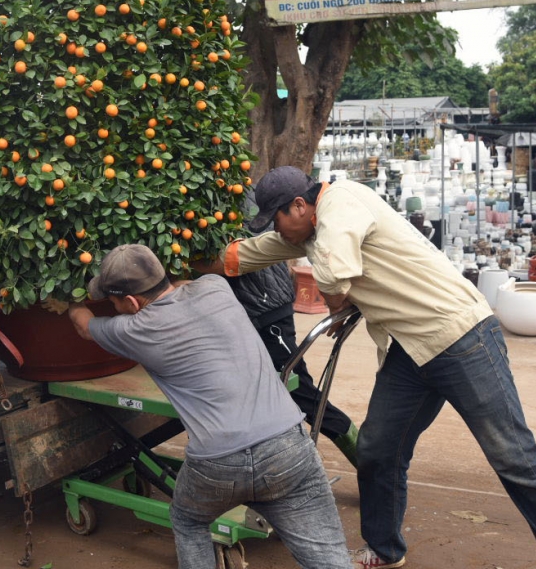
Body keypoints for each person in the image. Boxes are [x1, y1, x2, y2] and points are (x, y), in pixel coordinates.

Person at [197, 166, 536, 569]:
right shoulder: (305, 230)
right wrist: (178, 269)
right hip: (411, 349)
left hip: (462, 337)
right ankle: (384, 548)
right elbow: (244, 255)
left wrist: (339, 306)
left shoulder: (342, 203)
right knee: (378, 449)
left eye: (278, 220)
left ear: (299, 205)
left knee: (516, 460)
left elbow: (336, 275)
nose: (279, 231)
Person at [67, 244, 351, 569]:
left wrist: (68, 299)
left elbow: (83, 323)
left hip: (217, 464)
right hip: (287, 445)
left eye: (114, 301)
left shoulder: (131, 329)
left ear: (131, 302)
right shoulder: (216, 288)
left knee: (188, 520)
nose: (115, 308)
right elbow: (189, 284)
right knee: (329, 561)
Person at [227, 222, 359, 466]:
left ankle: (365, 455)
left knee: (299, 390)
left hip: (265, 310)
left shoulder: (227, 204)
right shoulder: (241, 196)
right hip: (258, 307)